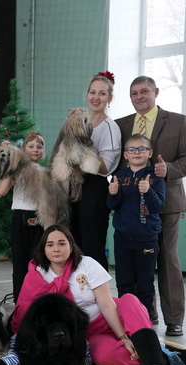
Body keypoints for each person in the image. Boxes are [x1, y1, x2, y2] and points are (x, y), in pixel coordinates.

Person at [9, 225, 184, 365]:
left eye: (62, 243)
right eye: (50, 245)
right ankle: (165, 355)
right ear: (43, 249)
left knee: (129, 300)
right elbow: (27, 310)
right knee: (104, 357)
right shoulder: (38, 274)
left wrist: (122, 336)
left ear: (71, 246)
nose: (56, 249)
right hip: (90, 331)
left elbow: (107, 304)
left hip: (116, 316)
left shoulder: (87, 264)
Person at [116, 75, 186, 337]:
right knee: (134, 264)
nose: (139, 97)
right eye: (134, 93)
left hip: (166, 201)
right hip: (130, 205)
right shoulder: (121, 125)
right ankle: (145, 314)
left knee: (167, 258)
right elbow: (116, 161)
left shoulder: (179, 121)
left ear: (155, 92)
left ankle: (174, 319)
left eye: (144, 91)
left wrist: (168, 169)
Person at [107, 134, 165, 320]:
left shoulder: (156, 177)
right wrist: (113, 194)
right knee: (124, 281)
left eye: (141, 149)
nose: (136, 152)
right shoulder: (118, 177)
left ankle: (145, 318)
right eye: (132, 149)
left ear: (150, 153)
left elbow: (158, 207)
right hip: (122, 239)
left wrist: (148, 192)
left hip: (146, 238)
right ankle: (126, 317)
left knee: (145, 282)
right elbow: (112, 205)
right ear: (125, 155)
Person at [71, 71, 122, 271]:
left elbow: (105, 166)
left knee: (92, 246)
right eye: (93, 92)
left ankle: (99, 288)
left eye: (102, 93)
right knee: (75, 245)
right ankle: (78, 287)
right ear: (87, 94)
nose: (96, 97)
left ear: (110, 98)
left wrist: (81, 153)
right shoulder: (81, 123)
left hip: (95, 188)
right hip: (76, 185)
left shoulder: (110, 127)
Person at [0, 132, 45, 302]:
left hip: (39, 219)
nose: (35, 150)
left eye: (39, 147)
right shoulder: (16, 170)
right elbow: (1, 191)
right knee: (19, 264)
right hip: (20, 218)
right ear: (23, 149)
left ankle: (36, 302)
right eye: (31, 146)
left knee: (37, 264)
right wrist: (12, 166)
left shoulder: (45, 172)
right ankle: (20, 303)